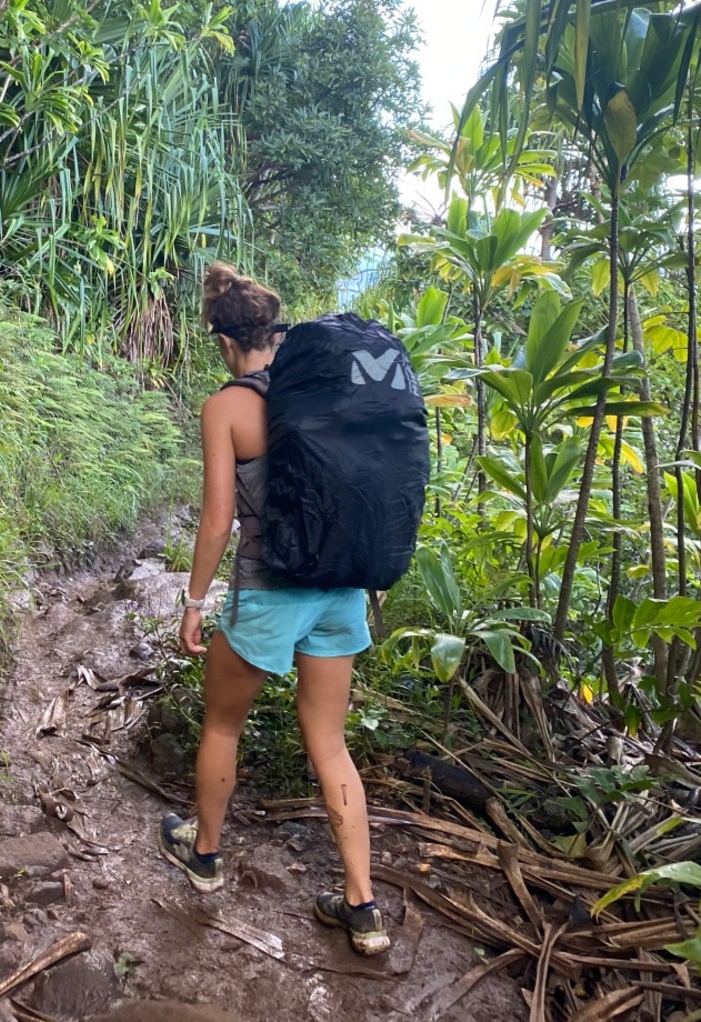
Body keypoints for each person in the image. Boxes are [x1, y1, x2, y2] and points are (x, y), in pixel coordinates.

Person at [156, 262, 390, 956]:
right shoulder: (319, 390)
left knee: (223, 725)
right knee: (330, 743)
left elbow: (218, 521)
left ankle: (203, 857)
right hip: (342, 587)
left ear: (225, 342)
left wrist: (195, 603)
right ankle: (363, 907)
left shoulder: (228, 406)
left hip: (269, 588)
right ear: (277, 331)